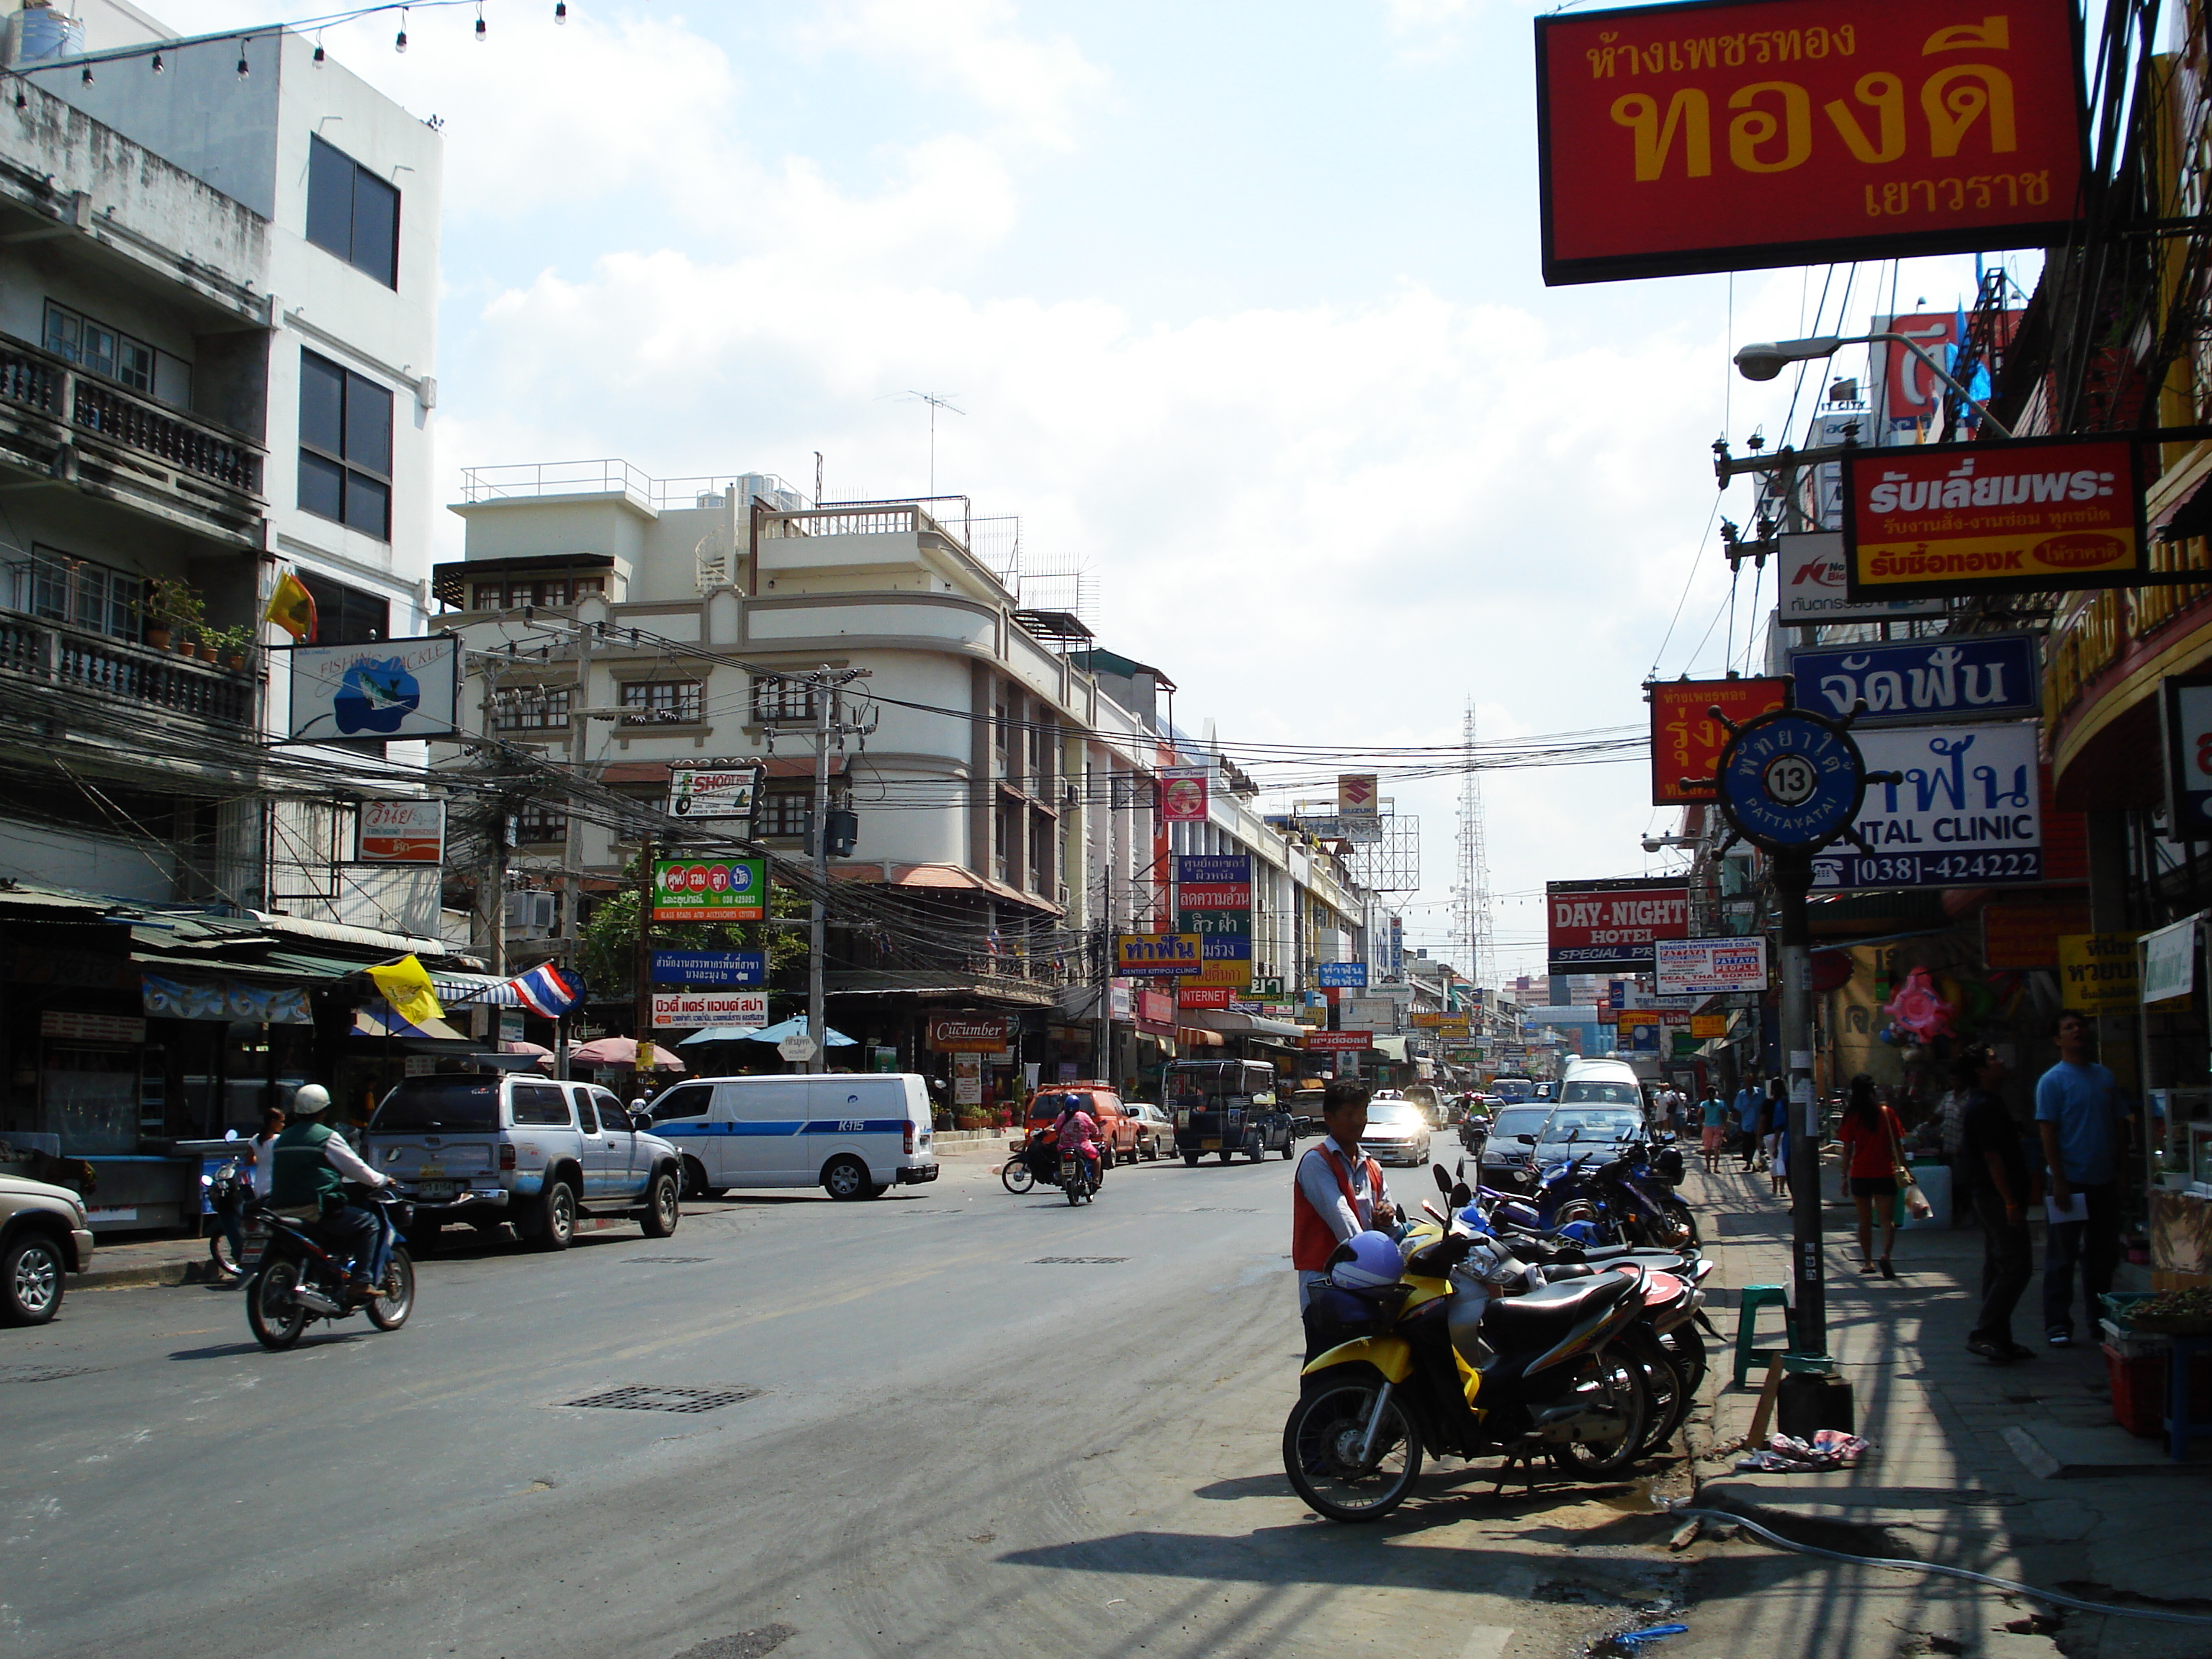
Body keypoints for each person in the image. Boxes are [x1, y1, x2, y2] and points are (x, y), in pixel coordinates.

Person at [2036, 1012, 2131, 1348]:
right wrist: (2059, 1180)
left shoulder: (2104, 1076)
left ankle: (2099, 1319)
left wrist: (2121, 1172)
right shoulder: (2053, 1081)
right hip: (2070, 1183)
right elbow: (2048, 1132)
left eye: (2080, 1026)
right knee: (2062, 1255)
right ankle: (2058, 1323)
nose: (2077, 1031)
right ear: (2057, 1039)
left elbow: (2119, 1127)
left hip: (2103, 1182)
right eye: (2068, 1028)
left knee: (2102, 1256)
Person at [268, 1082, 394, 1295]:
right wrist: (382, 1180)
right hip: (314, 1209)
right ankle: (361, 1282)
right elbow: (356, 1169)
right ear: (324, 1111)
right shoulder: (327, 1137)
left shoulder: (282, 1139)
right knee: (370, 1223)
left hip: (279, 1209)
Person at [1952, 1046, 2034, 1362]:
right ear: (1982, 1072)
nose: (2001, 1062)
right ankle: (1986, 1332)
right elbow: (1992, 1157)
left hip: (1991, 1196)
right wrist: (2010, 1202)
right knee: (2017, 1265)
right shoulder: (1983, 1107)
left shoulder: (1988, 1103)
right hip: (1996, 1197)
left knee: (1998, 1264)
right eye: (1993, 1059)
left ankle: (1999, 1338)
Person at [1292, 1082, 1399, 1312]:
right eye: (1350, 1114)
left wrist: (1388, 1218)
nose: (1358, 1121)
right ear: (1329, 1118)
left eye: (1362, 1113)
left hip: (1368, 1278)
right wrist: (1376, 1261)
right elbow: (1342, 1219)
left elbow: (1391, 1221)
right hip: (1325, 1278)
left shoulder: (1372, 1166)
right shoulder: (1316, 1162)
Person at [1836, 1074, 1906, 1277]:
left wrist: (1843, 1176)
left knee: (1864, 1220)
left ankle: (1867, 1262)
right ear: (1873, 1090)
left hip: (1860, 1173)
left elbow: (1847, 1149)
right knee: (1886, 1220)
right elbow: (1898, 1146)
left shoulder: (1851, 1116)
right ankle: (1885, 1255)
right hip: (1885, 1172)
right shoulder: (1886, 1113)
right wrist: (1905, 1169)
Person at [1051, 1093, 1102, 1191]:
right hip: (1082, 1146)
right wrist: (1098, 1134)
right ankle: (1096, 1180)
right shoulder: (1084, 1116)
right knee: (1097, 1157)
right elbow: (1094, 1129)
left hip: (1064, 1146)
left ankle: (1063, 1177)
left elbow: (1057, 1130)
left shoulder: (1061, 1117)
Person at [1735, 1072, 1766, 1171]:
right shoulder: (1741, 1095)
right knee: (1747, 1145)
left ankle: (1755, 1165)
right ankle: (1748, 1163)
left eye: (1751, 1081)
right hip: (1746, 1124)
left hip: (1758, 1124)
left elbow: (1765, 1109)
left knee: (1756, 1145)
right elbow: (1738, 1111)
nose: (1749, 1083)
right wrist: (1739, 1125)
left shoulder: (1760, 1093)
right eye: (1747, 1081)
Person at [1699, 1087, 1729, 1173]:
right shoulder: (1721, 1103)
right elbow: (1725, 1114)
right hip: (1718, 1126)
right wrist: (1724, 1125)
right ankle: (1716, 1167)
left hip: (1707, 1127)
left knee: (1707, 1148)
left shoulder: (1704, 1104)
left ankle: (1708, 1167)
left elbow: (1699, 1115)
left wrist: (1702, 1124)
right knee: (1716, 1148)